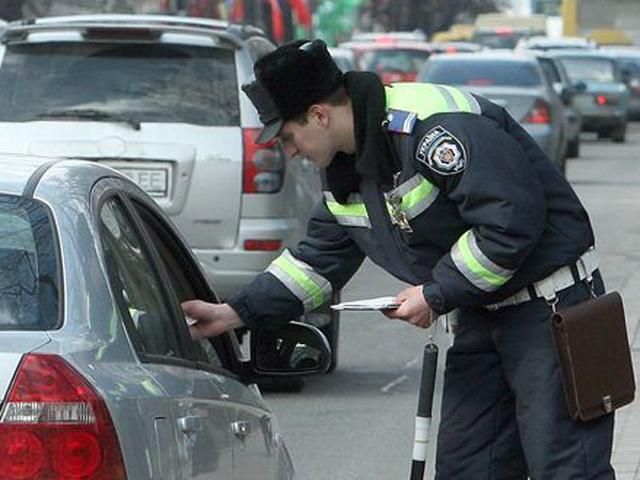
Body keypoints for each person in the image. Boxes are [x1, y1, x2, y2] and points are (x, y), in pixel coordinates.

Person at [182, 39, 614, 479]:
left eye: (288, 136)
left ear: (319, 115)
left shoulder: (433, 128)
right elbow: (316, 261)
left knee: (567, 469)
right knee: (468, 468)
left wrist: (434, 292)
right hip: (483, 314)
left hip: (553, 310)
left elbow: (509, 224)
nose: (289, 150)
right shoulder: (347, 169)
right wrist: (235, 313)